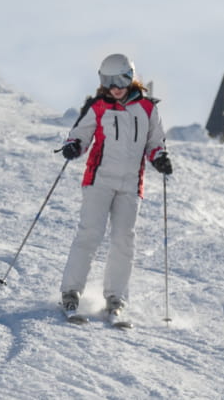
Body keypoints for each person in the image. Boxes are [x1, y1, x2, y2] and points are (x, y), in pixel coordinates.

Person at [58, 53, 173, 321]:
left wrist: (159, 157)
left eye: (120, 79)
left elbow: (154, 142)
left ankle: (115, 297)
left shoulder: (147, 109)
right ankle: (71, 292)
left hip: (131, 185)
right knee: (90, 235)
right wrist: (74, 145)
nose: (115, 86)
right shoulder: (98, 106)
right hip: (99, 180)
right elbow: (80, 134)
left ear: (130, 77)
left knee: (124, 240)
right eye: (108, 81)